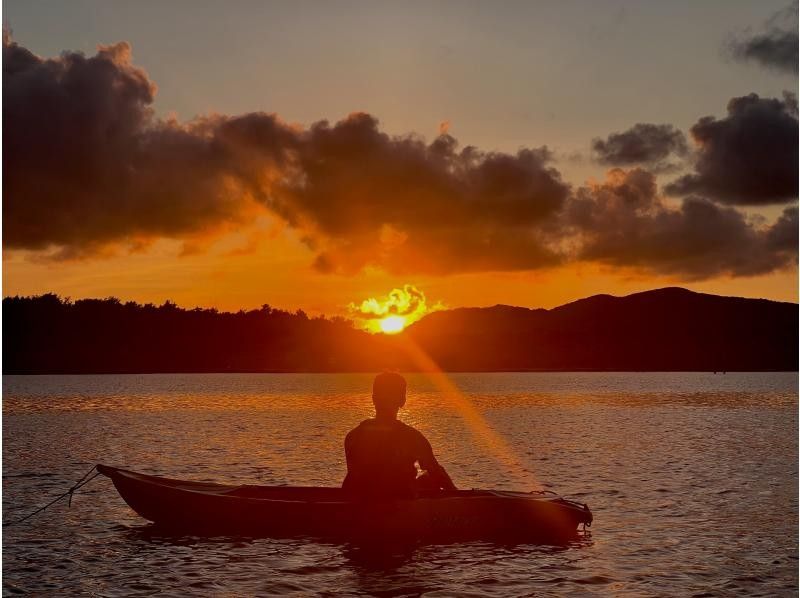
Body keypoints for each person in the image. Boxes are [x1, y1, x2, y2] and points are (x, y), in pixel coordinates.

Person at [342, 372, 457, 499]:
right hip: (397, 503)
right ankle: (461, 502)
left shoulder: (353, 436)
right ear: (402, 401)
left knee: (425, 479)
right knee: (432, 476)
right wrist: (456, 494)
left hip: (359, 502)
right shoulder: (412, 437)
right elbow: (436, 473)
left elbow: (358, 476)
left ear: (374, 399)